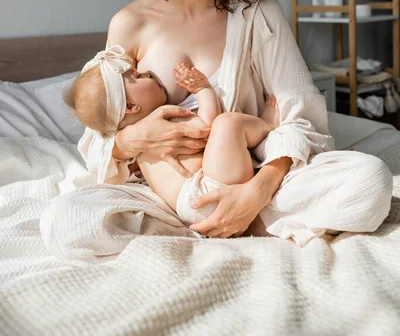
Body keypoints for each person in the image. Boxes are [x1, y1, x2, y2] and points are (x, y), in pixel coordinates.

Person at [40, 0, 392, 264]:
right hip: (168, 193)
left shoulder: (257, 13)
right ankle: (225, 224)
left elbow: (303, 117)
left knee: (371, 182)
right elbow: (101, 127)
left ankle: (239, 217)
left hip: (257, 178)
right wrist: (134, 140)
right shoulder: (130, 24)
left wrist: (255, 190)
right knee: (66, 223)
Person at [66, 45, 280, 227]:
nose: (147, 72)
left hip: (189, 207)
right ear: (131, 105)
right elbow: (208, 125)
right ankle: (268, 125)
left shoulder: (139, 146)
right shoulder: (162, 122)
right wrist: (203, 89)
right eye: (139, 76)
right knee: (227, 123)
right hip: (207, 191)